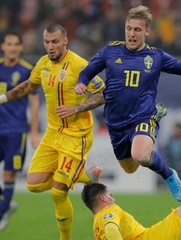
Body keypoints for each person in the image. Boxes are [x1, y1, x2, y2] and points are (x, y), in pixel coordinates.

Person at [56, 5, 181, 203]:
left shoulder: (156, 57)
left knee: (141, 155)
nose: (132, 34)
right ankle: (152, 157)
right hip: (116, 122)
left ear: (147, 31)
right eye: (129, 28)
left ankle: (169, 174)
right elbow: (87, 71)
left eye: (137, 29)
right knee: (130, 168)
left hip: (143, 115)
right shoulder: (110, 51)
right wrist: (82, 83)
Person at [0, 23, 105, 240]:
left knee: (58, 191)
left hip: (76, 136)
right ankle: (89, 176)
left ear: (65, 41)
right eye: (47, 42)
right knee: (33, 184)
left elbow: (103, 94)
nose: (50, 46)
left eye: (55, 42)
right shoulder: (43, 64)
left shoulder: (80, 65)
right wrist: (2, 98)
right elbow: (28, 86)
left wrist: (76, 107)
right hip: (52, 134)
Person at [0, 31, 40, 230]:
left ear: (21, 47)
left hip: (16, 131)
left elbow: (34, 104)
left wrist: (33, 132)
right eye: (9, 44)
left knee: (8, 175)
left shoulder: (27, 70)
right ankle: (5, 204)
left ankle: (2, 212)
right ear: (3, 46)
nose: (13, 47)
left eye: (16, 44)